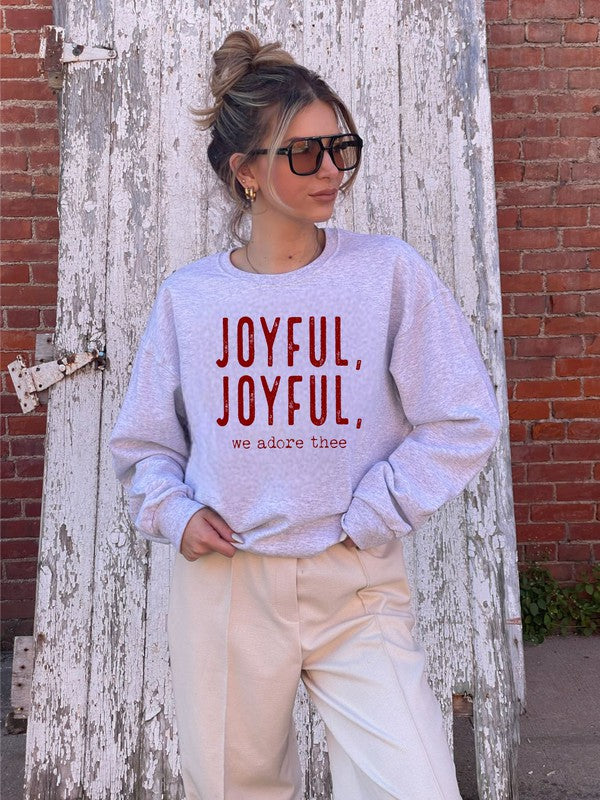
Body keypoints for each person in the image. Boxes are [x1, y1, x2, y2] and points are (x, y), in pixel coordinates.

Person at [109, 29, 501, 800]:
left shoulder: (386, 273)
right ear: (245, 172)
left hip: (355, 583)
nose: (330, 171)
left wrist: (377, 511)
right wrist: (172, 511)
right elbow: (146, 442)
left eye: (340, 149)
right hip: (227, 585)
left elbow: (463, 416)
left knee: (415, 784)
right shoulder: (191, 298)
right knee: (233, 788)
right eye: (303, 153)